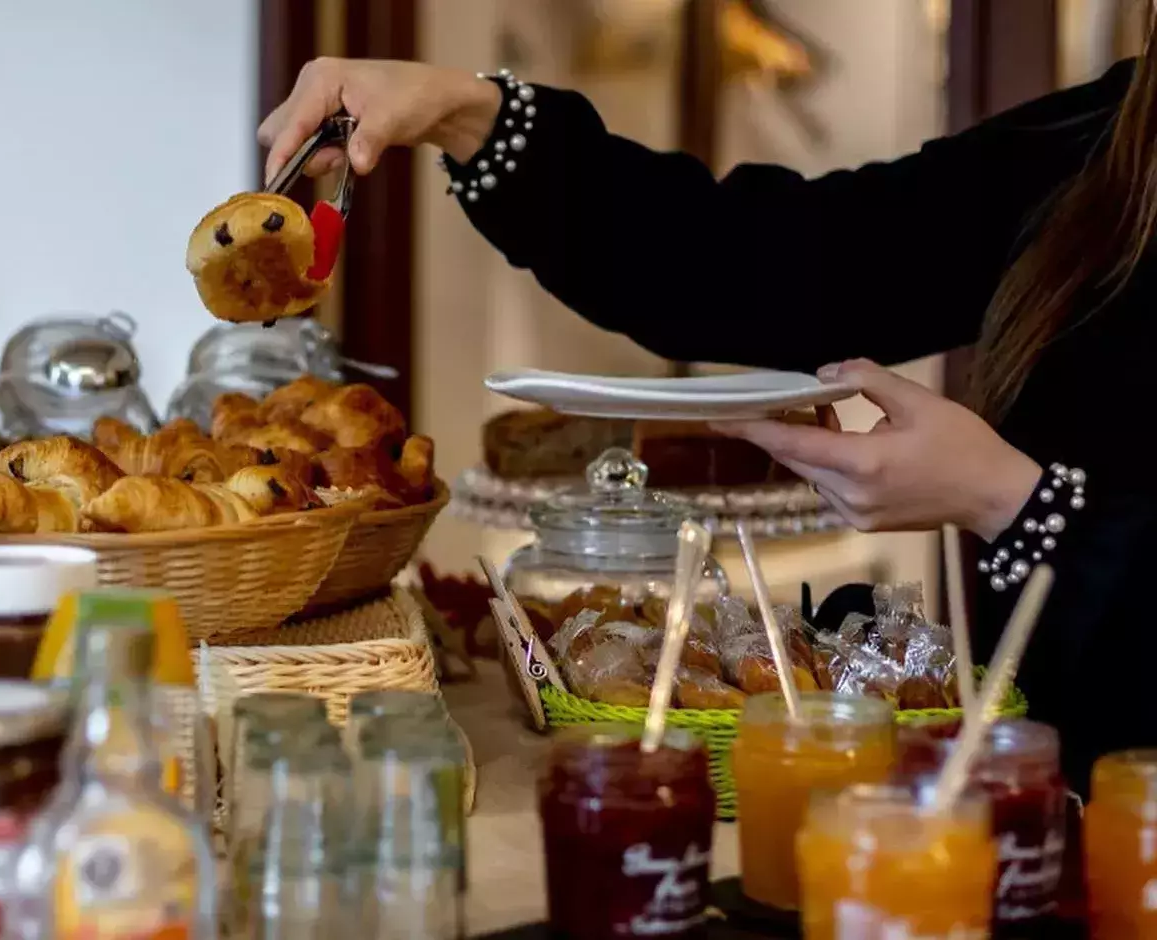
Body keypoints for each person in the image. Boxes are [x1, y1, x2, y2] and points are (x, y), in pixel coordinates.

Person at [258, 46, 1157, 791]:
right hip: (1042, 820)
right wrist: (468, 113)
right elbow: (775, 262)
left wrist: (1019, 503)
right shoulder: (1115, 137)